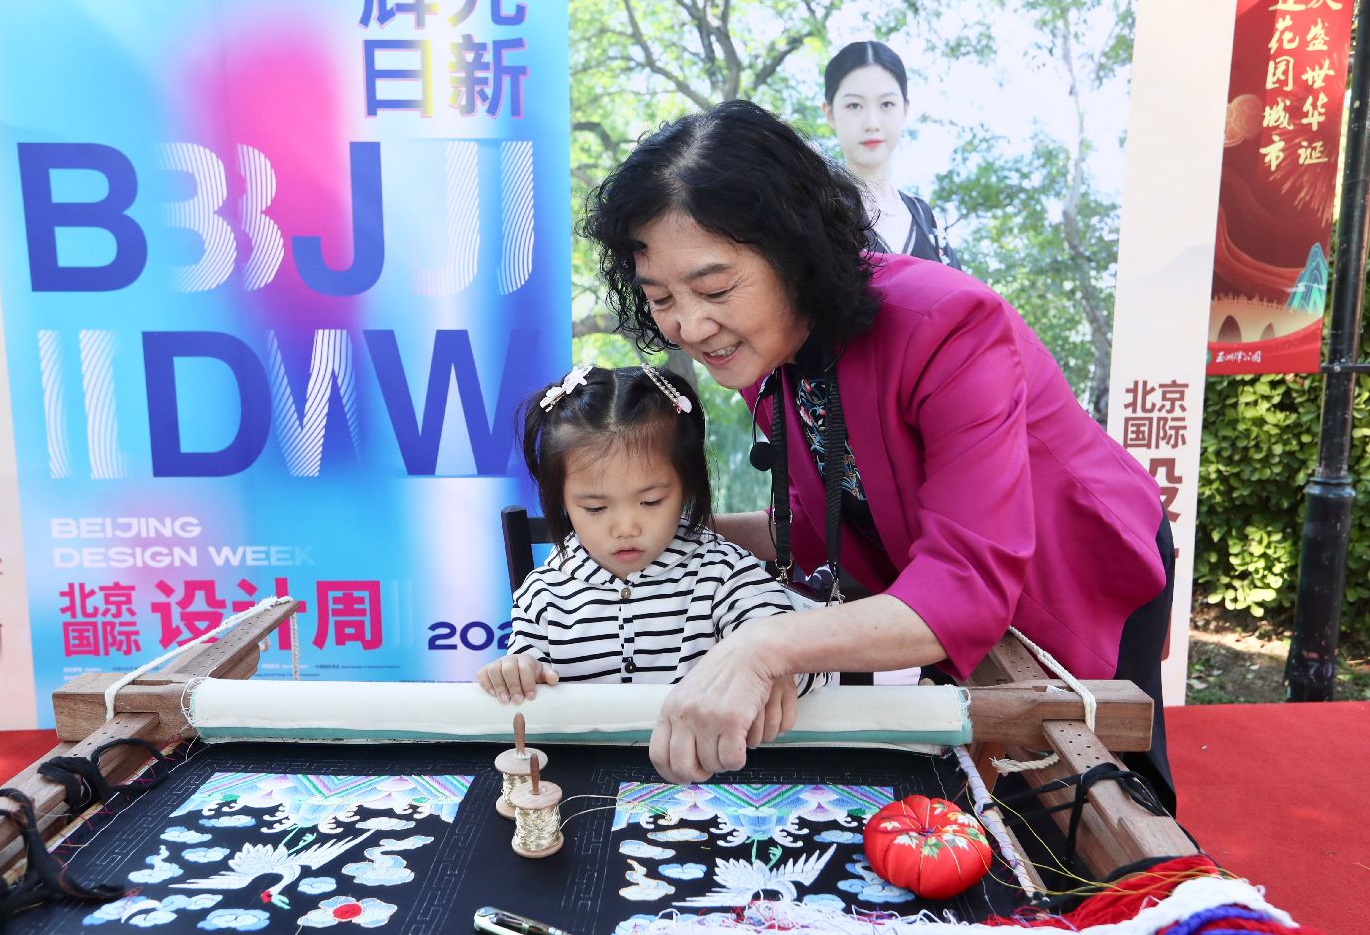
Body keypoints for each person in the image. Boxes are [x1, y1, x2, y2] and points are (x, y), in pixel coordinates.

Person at [582, 100, 1176, 812]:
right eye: (660, 298)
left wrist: (762, 647)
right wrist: (673, 529)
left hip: (1073, 553)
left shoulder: (949, 322)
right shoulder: (764, 350)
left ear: (794, 253)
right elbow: (824, 520)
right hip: (946, 569)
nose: (691, 324)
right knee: (985, 789)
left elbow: (965, 584)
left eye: (714, 288)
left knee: (1096, 796)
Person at [475, 363, 834, 744]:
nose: (626, 527)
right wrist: (515, 672)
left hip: (706, 767)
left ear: (687, 487)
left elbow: (796, 659)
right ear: (561, 500)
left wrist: (777, 668)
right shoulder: (543, 594)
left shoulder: (723, 572)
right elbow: (525, 681)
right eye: (595, 508)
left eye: (650, 501)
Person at [823, 40, 962, 268]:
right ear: (830, 113)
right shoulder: (814, 207)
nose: (872, 123)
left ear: (905, 109)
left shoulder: (927, 220)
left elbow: (960, 290)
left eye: (886, 104)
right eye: (854, 106)